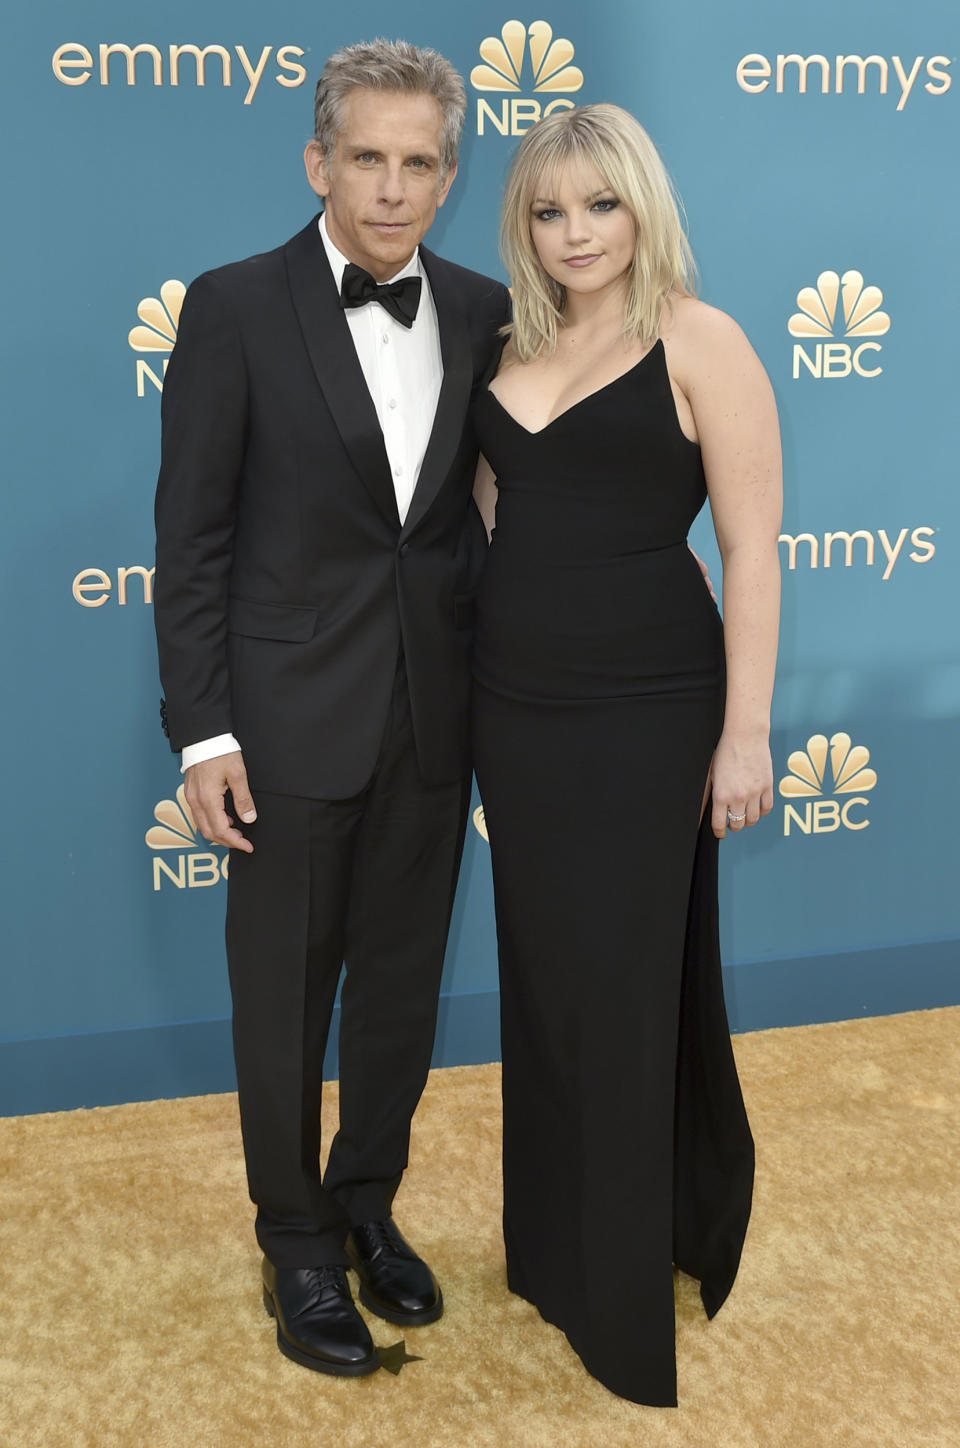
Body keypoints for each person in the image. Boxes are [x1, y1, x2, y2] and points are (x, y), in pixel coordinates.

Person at [153, 40, 510, 1377]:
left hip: (436, 717)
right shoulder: (236, 307)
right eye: (367, 156)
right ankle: (296, 1242)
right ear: (319, 161)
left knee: (401, 999)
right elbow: (189, 539)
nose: (392, 187)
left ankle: (366, 1205)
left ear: (450, 173)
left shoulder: (480, 311)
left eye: (421, 162)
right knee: (284, 1004)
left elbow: (486, 516)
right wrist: (205, 729)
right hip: (286, 726)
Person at [470, 104, 781, 1407]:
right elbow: (491, 524)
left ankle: (623, 1280)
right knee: (543, 983)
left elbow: (753, 552)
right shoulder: (504, 344)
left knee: (625, 984)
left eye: (600, 204)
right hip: (517, 712)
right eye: (549, 210)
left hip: (652, 709)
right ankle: (552, 1250)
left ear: (642, 207)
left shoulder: (700, 338)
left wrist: (745, 733)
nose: (576, 231)